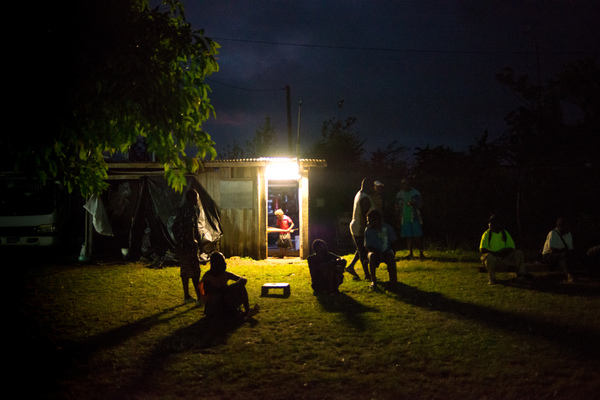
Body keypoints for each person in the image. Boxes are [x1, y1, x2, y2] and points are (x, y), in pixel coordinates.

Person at [200, 252, 259, 319]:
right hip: (213, 307)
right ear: (215, 264)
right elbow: (217, 293)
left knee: (241, 287)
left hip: (224, 302)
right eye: (222, 262)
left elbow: (243, 279)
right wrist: (232, 288)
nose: (225, 264)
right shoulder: (207, 279)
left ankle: (246, 311)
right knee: (224, 295)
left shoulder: (224, 274)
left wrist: (237, 285)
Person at [479, 214, 533, 284]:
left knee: (518, 253)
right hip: (493, 258)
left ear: (499, 224)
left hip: (504, 258)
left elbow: (511, 248)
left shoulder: (504, 233)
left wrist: (505, 252)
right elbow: (483, 250)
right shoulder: (487, 234)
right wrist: (497, 253)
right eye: (489, 223)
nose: (490, 224)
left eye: (493, 223)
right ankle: (492, 279)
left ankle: (521, 276)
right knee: (488, 257)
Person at [172, 189, 203, 305]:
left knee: (184, 270)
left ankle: (186, 296)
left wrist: (179, 240)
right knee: (195, 271)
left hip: (182, 246)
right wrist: (192, 240)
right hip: (190, 245)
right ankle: (199, 298)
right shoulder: (191, 209)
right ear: (192, 198)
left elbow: (174, 227)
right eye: (196, 198)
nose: (197, 200)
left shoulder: (181, 209)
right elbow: (190, 225)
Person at [347, 178, 375, 280]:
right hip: (360, 227)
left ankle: (350, 266)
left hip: (356, 225)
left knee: (360, 248)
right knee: (363, 251)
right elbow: (365, 215)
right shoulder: (365, 198)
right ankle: (367, 275)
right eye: (372, 186)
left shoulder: (359, 194)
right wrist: (370, 227)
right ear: (369, 186)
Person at [364, 209, 398, 290]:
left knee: (390, 257)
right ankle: (373, 280)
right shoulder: (368, 230)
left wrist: (392, 253)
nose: (368, 223)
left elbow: (394, 242)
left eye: (370, 220)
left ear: (376, 220)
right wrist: (378, 253)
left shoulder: (387, 228)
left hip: (386, 251)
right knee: (372, 256)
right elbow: (367, 246)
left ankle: (393, 280)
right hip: (374, 252)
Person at [395, 178, 425, 260]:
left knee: (417, 236)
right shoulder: (400, 194)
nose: (404, 185)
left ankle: (421, 253)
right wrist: (397, 219)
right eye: (403, 184)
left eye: (405, 184)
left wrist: (414, 203)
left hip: (414, 218)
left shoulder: (415, 192)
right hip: (404, 219)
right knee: (408, 237)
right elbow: (396, 207)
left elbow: (421, 204)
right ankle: (410, 253)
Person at [542, 217, 577, 282]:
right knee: (563, 256)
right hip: (548, 255)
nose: (568, 228)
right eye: (566, 226)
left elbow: (570, 249)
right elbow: (553, 250)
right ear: (561, 227)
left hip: (561, 254)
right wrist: (565, 251)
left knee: (566, 256)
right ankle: (569, 275)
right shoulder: (553, 233)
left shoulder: (568, 234)